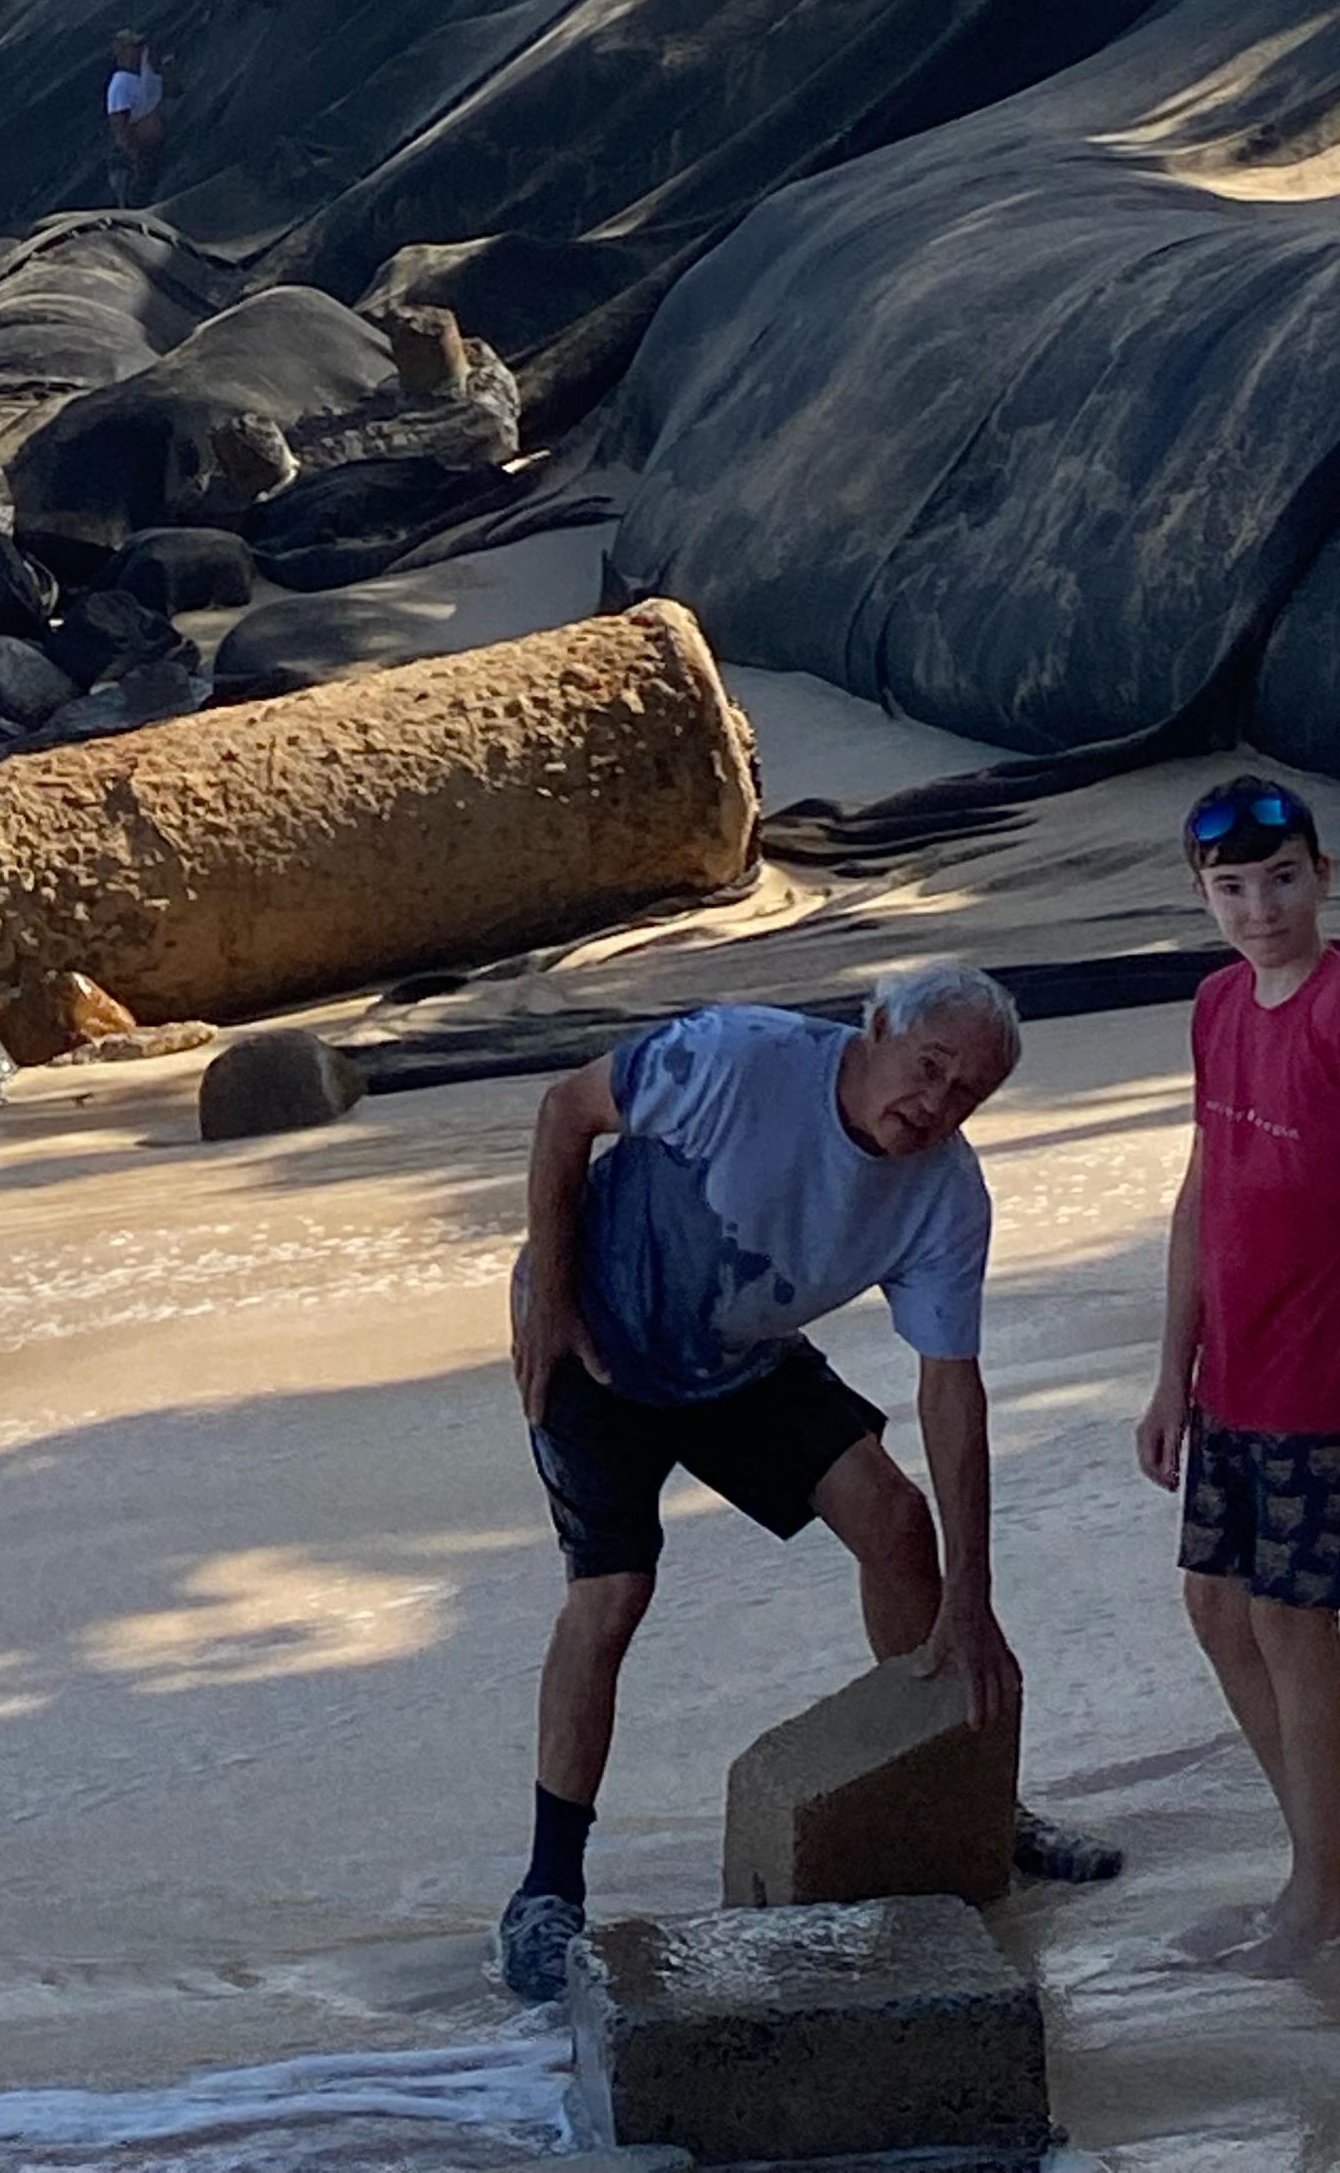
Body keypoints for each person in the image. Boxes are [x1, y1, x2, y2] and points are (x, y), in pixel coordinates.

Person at [494, 965, 1113, 2004]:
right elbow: (566, 1110)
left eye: (968, 1095)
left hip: (741, 1357)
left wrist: (974, 1597)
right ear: (873, 1027)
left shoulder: (946, 1196)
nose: (936, 1105)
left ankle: (966, 1802)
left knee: (896, 1523)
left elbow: (952, 1394)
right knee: (610, 1596)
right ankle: (547, 1887)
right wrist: (550, 1298)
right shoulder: (734, 1058)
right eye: (928, 1069)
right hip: (597, 1337)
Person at [1135, 775, 1340, 1978]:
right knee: (1219, 1607)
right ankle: (1322, 1858)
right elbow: (1202, 1193)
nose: (1260, 908)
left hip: (1322, 1378)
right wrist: (1174, 1376)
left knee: (1294, 1620)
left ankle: (1316, 1896)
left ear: (1321, 875)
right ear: (1202, 897)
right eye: (1232, 887)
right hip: (1234, 1382)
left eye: (1281, 878)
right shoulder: (1217, 1006)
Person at [103, 30, 166, 207]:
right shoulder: (120, 84)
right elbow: (119, 128)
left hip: (149, 153)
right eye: (134, 47)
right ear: (121, 50)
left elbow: (174, 90)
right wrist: (135, 159)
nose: (139, 51)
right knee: (134, 204)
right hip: (131, 161)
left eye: (140, 46)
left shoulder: (146, 78)